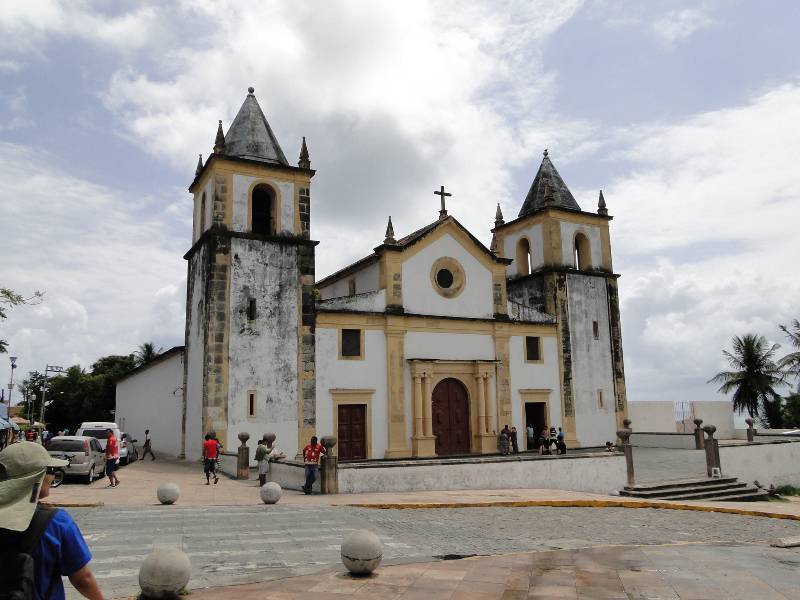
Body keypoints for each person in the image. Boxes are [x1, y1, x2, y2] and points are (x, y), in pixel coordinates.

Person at [0, 441, 105, 600]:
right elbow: (82, 579)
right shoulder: (56, 523)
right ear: (37, 478)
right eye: (50, 470)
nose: (52, 475)